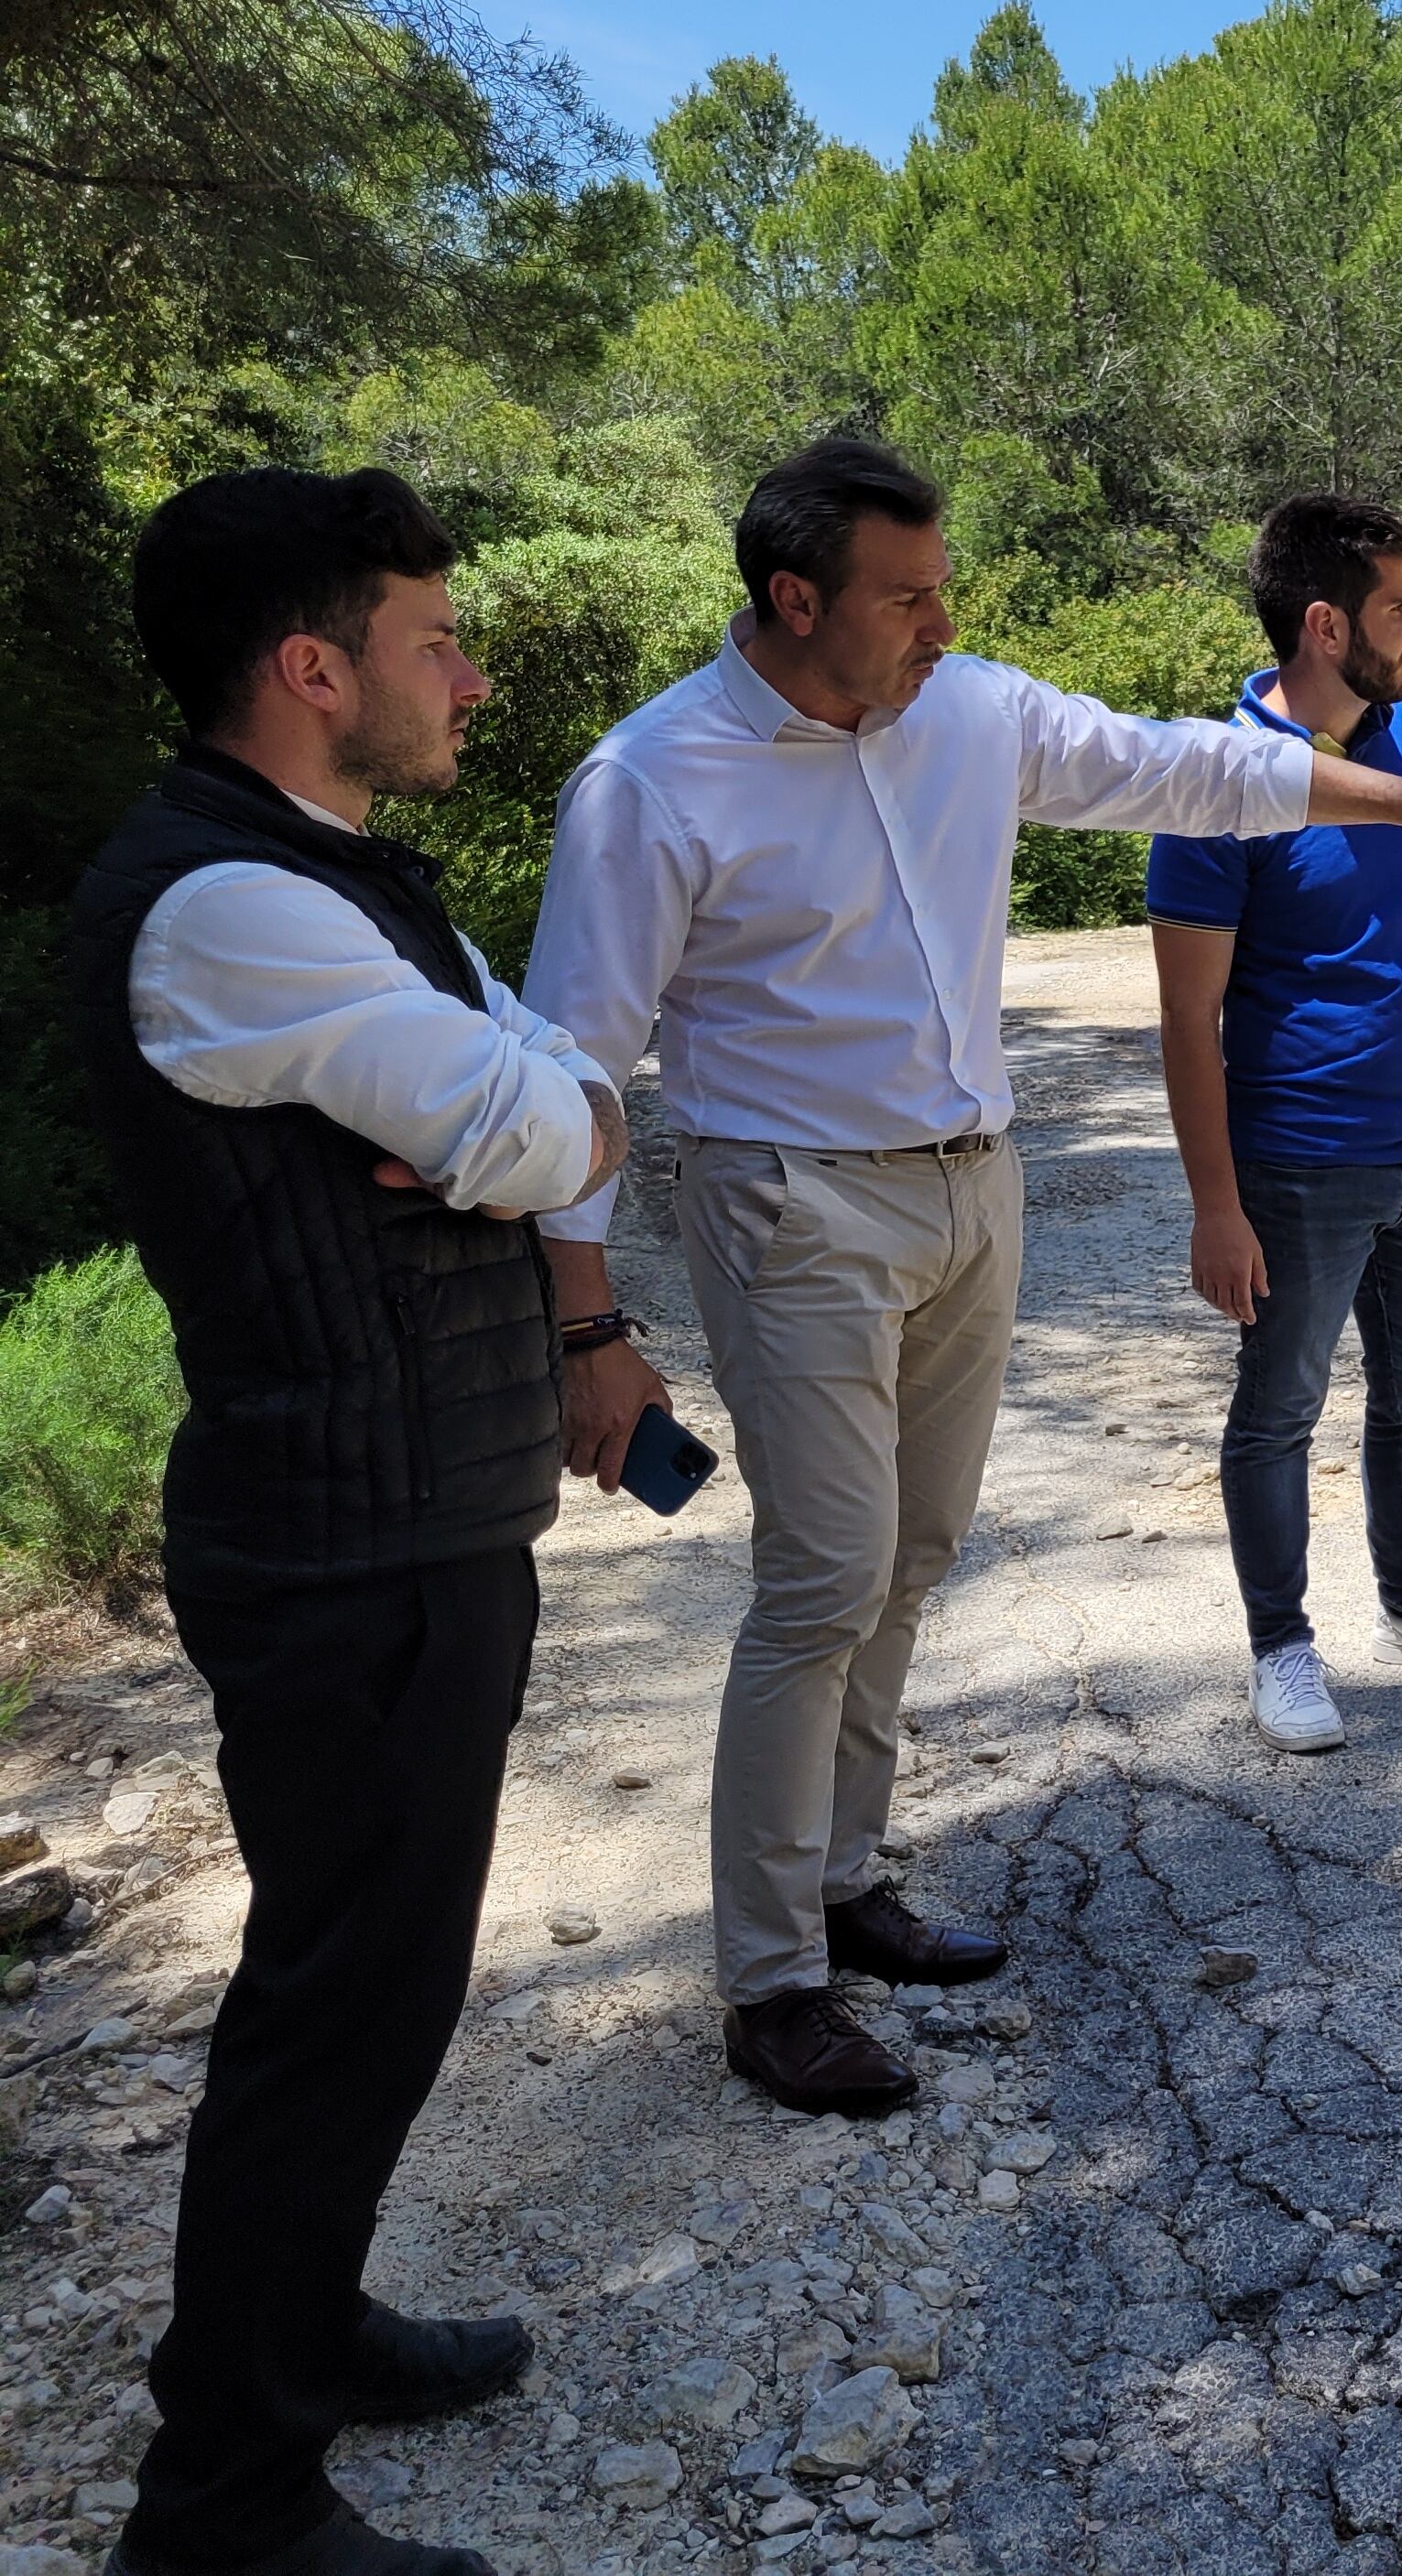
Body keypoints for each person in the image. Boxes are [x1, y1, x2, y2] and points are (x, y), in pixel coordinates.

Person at [522, 443, 1402, 2108]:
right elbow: (573, 1071)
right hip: (787, 1202)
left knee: (915, 1550)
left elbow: (1196, 767)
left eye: (944, 584)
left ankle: (845, 1877)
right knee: (821, 1577)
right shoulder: (652, 782)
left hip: (971, 1186)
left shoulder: (969, 709)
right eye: (908, 592)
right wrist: (588, 1320)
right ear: (792, 600)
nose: (943, 619)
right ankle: (769, 1977)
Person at [73, 467, 625, 2576]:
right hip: (342, 1552)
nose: (469, 678)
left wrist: (525, 1112)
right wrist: (526, 1111)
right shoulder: (225, 904)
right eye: (430, 640)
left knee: (366, 1999)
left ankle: (301, 2330)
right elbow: (541, 1110)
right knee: (332, 2015)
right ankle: (217, 2501)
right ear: (313, 670)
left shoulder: (336, 878)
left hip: (404, 1533)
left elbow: (548, 1092)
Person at [1148, 495, 1402, 1754]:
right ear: (1326, 625)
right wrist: (1216, 1206)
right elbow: (1186, 1018)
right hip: (1295, 1161)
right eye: (1401, 604)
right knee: (1278, 1409)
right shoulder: (1217, 785)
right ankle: (1282, 1648)